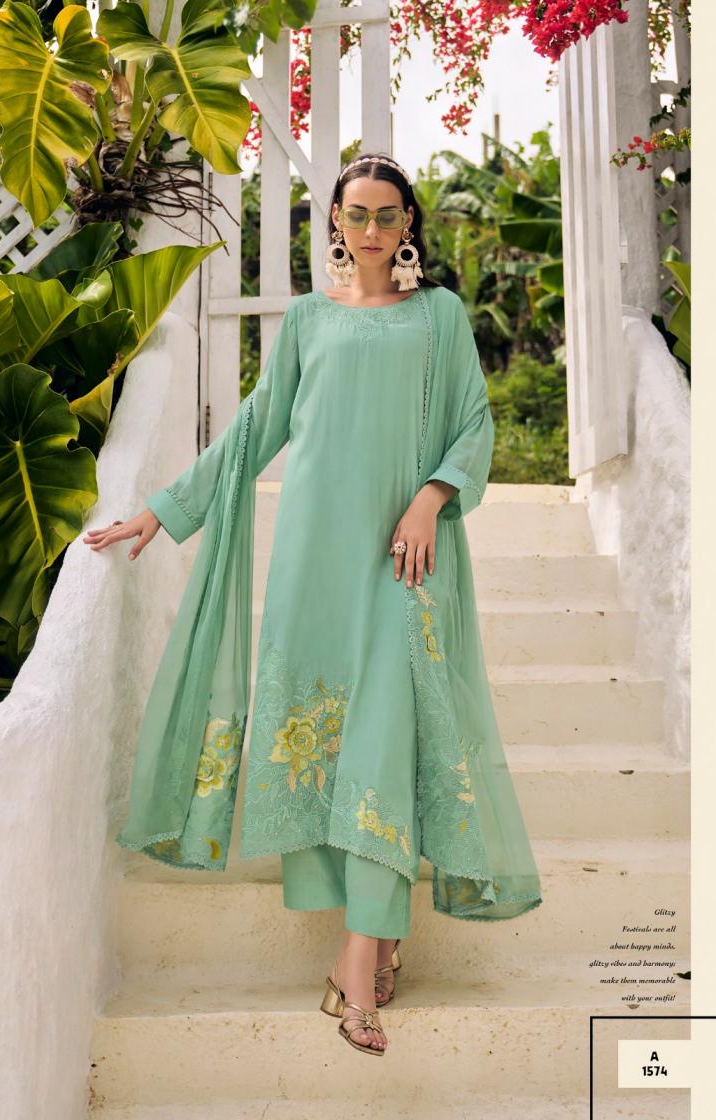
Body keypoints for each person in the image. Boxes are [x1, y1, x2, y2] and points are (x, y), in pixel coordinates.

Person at [84, 152, 542, 1057]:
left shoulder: (439, 317)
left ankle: (355, 974)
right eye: (355, 214)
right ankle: (373, 943)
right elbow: (258, 425)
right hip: (313, 565)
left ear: (408, 224)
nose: (370, 230)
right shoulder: (306, 320)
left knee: (384, 741)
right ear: (334, 221)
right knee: (327, 746)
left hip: (404, 562)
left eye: (386, 214)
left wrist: (432, 496)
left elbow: (474, 422)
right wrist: (162, 511)